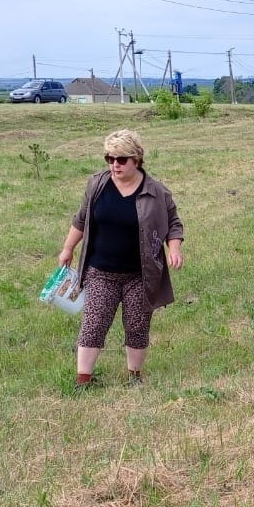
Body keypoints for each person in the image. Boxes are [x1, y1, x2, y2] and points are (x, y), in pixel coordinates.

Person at [58, 129, 184, 388]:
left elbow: (173, 223)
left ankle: (134, 377)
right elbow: (81, 219)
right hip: (100, 271)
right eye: (109, 158)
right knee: (93, 323)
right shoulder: (97, 184)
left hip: (140, 274)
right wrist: (68, 248)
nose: (114, 164)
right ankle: (83, 381)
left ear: (136, 159)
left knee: (137, 326)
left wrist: (174, 249)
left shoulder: (157, 192)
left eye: (121, 159)